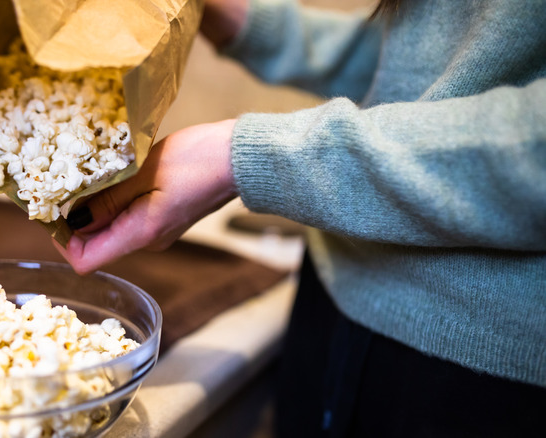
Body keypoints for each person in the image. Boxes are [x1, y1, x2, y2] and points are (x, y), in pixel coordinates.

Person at [55, 0, 546, 435]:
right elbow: (431, 69)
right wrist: (241, 20)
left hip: (478, 373)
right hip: (332, 303)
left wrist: (242, 158)